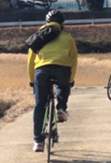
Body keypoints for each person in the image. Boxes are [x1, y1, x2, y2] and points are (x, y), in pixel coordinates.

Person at [28, 9, 77, 152]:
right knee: (63, 85)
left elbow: (30, 61)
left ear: (47, 22)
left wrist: (32, 80)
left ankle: (38, 142)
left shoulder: (37, 37)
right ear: (62, 24)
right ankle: (61, 108)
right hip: (63, 69)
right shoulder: (68, 38)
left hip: (41, 71)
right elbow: (73, 60)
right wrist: (70, 80)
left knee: (39, 104)